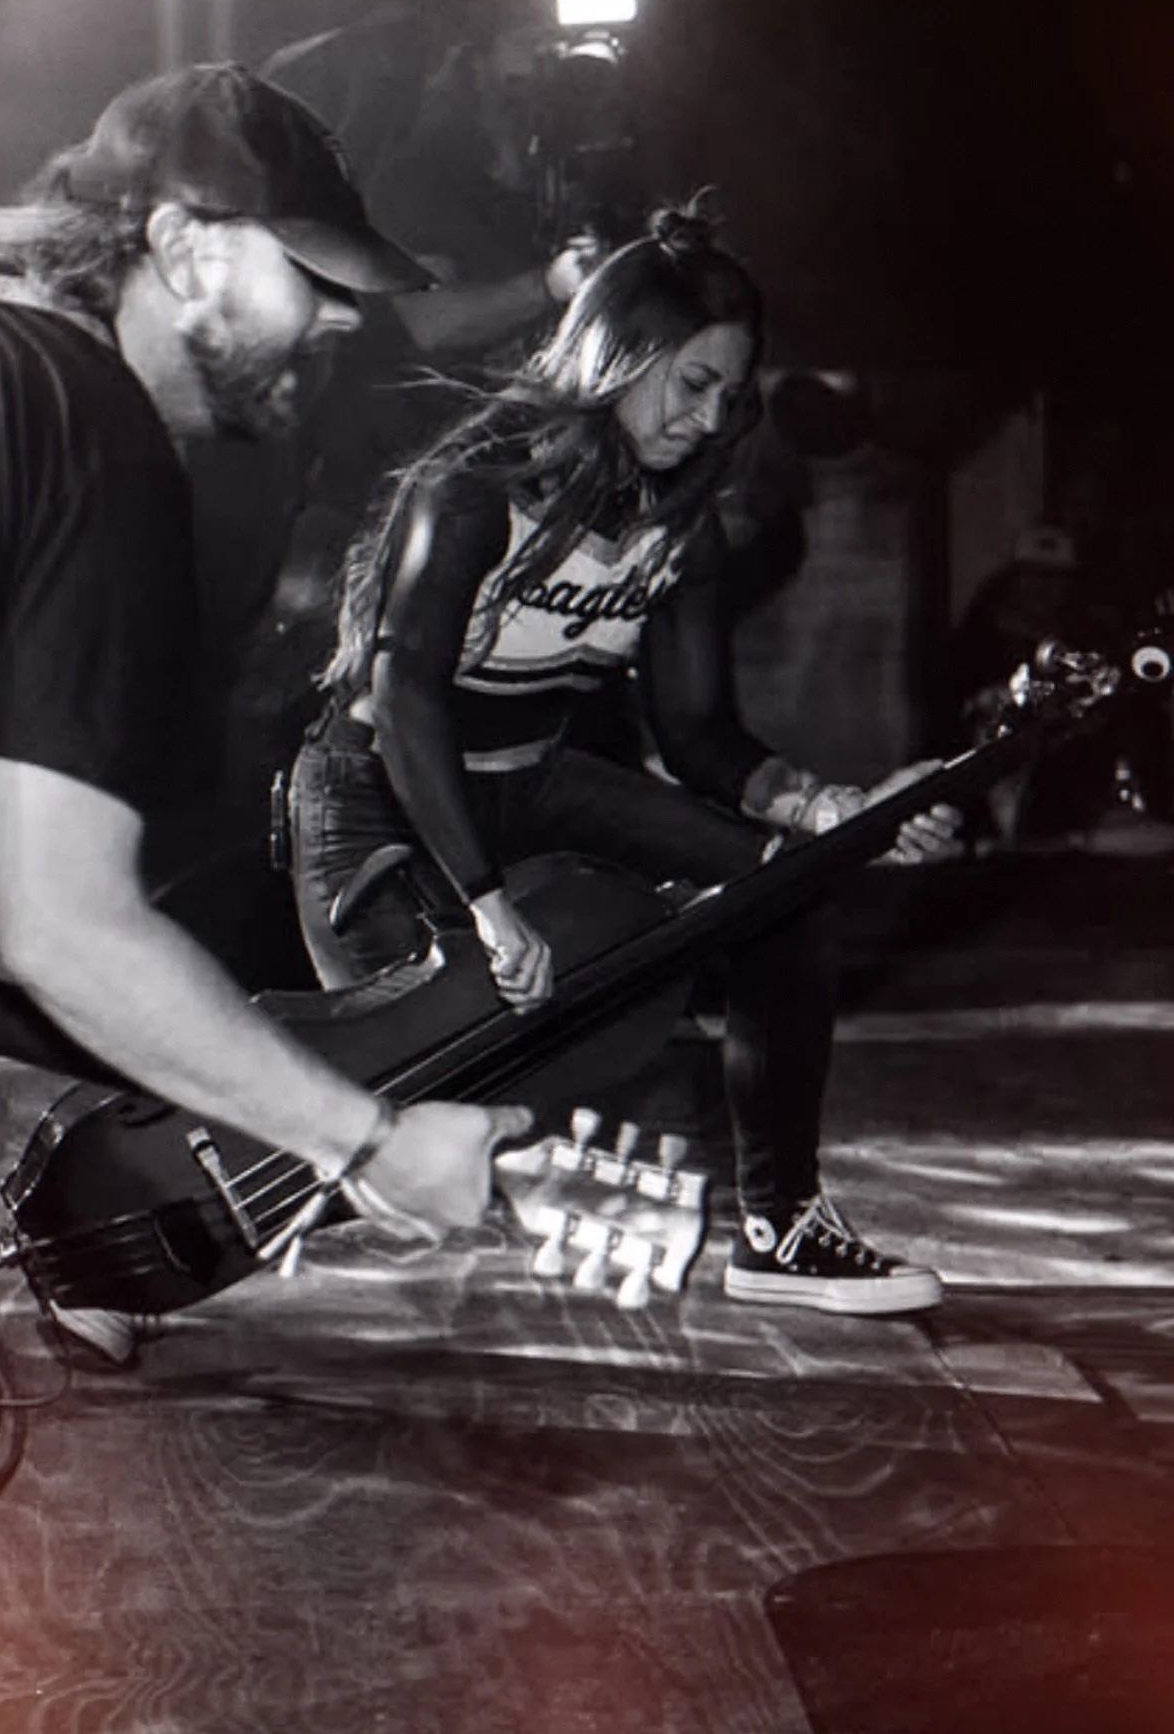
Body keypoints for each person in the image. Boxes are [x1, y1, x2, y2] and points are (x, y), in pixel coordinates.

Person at [0, 61, 529, 1734]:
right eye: (303, 278)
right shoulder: (95, 435)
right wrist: (368, 1145)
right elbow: (68, 926)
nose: (330, 330)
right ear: (175, 244)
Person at [288, 197, 961, 1322]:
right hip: (381, 801)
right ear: (613, 353)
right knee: (420, 1101)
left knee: (786, 898)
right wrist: (493, 909)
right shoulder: (472, 488)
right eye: (689, 383)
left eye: (726, 397)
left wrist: (837, 810)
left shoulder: (681, 528)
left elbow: (696, 736)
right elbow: (406, 700)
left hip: (533, 780)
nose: (706, 419)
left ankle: (781, 1228)